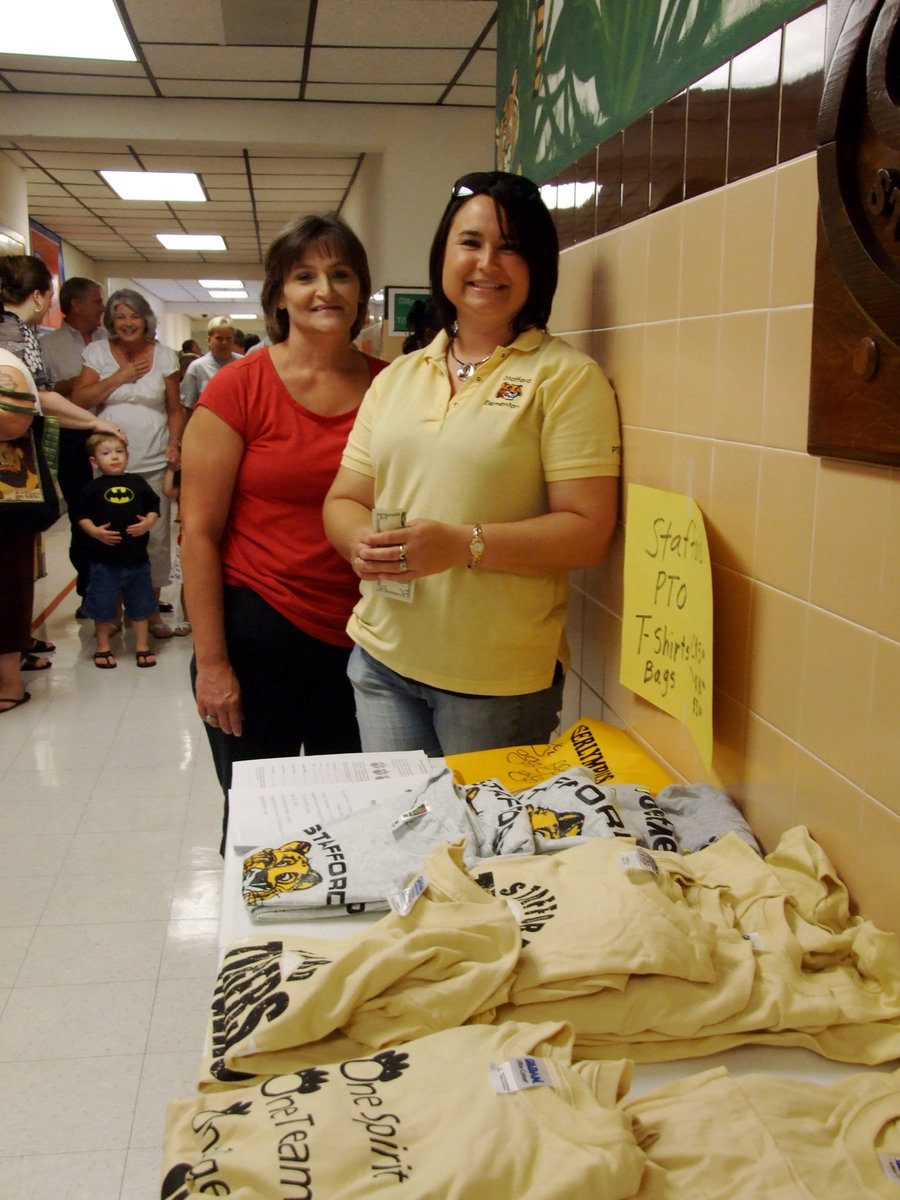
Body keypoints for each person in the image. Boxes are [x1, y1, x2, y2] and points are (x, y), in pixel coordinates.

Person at [323, 170, 621, 757]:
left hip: (495, 685)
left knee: (486, 849)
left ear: (537, 266)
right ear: (443, 255)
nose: (488, 262)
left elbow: (589, 533)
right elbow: (344, 498)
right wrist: (359, 543)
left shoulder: (566, 378)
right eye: (471, 242)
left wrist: (464, 544)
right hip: (382, 657)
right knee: (409, 841)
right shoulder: (400, 376)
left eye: (510, 247)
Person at [180, 213, 387, 844]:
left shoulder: (392, 388)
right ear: (279, 296)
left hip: (364, 643)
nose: (325, 289)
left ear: (361, 293)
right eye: (305, 276)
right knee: (264, 830)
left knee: (356, 828)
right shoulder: (238, 388)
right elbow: (198, 534)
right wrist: (213, 664)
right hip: (256, 634)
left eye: (341, 274)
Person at [0, 342, 126, 713]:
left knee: (8, 580)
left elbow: (21, 413)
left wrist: (93, 422)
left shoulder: (8, 359)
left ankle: (8, 677)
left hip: (8, 498)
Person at [73, 288, 184, 638]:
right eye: (119, 317)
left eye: (133, 316)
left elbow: (175, 408)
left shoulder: (165, 356)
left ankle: (149, 612)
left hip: (152, 460)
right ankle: (113, 612)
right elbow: (79, 400)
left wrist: (176, 442)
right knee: (111, 537)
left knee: (152, 537)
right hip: (108, 464)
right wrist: (119, 377)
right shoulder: (96, 353)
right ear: (110, 321)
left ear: (145, 320)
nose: (127, 323)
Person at [39, 276, 107, 610]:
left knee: (119, 508)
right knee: (83, 516)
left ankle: (125, 589)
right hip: (72, 438)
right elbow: (42, 395)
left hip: (110, 434)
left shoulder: (110, 340)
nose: (103, 308)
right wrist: (71, 385)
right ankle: (89, 592)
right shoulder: (47, 346)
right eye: (97, 301)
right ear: (76, 304)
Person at [76, 433, 160, 669]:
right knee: (103, 605)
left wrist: (147, 524)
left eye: (119, 452)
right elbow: (80, 516)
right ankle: (103, 646)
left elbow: (154, 506)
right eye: (106, 453)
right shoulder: (92, 488)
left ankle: (142, 645)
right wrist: (94, 531)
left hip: (136, 559)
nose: (114, 457)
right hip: (104, 561)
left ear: (127, 456)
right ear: (94, 461)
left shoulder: (137, 483)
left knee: (141, 604)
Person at [180, 317, 241, 413]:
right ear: (209, 340)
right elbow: (187, 407)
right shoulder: (197, 367)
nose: (224, 343)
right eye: (219, 338)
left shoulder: (244, 363)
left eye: (228, 338)